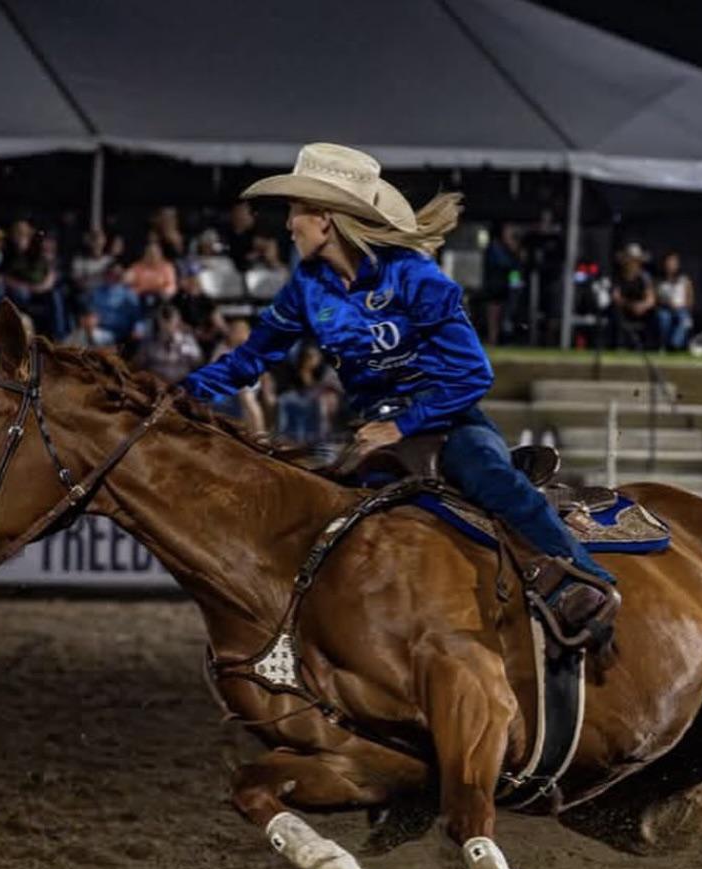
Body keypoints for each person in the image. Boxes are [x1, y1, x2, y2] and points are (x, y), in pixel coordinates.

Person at [181, 142, 616, 632]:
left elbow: (473, 374)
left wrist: (401, 427)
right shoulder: (307, 286)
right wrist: (179, 392)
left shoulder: (414, 276)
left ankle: (587, 581)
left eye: (296, 211)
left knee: (490, 476)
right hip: (373, 432)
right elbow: (250, 359)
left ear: (325, 219)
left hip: (448, 423)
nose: (288, 225)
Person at [135, 302, 203, 383]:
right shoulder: (149, 342)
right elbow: (139, 364)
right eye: (165, 320)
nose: (168, 325)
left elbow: (198, 363)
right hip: (156, 385)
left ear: (178, 321)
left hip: (181, 384)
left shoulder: (188, 341)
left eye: (170, 320)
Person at [481, 223, 523, 345]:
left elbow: (515, 269)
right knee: (494, 314)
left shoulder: (509, 248)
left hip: (506, 286)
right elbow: (505, 264)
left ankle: (500, 337)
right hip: (495, 285)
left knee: (505, 313)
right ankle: (493, 338)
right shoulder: (495, 247)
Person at [610, 243, 655, 349]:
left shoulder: (644, 277)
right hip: (624, 308)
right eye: (630, 260)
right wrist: (630, 305)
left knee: (656, 315)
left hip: (641, 310)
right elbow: (616, 297)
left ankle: (650, 345)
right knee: (615, 312)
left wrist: (642, 306)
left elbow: (651, 299)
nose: (632, 263)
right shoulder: (618, 276)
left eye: (635, 260)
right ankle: (620, 345)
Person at [654, 251, 694, 352]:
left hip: (682, 309)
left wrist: (684, 307)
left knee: (685, 320)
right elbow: (656, 298)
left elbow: (690, 298)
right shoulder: (659, 281)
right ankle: (664, 345)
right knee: (663, 318)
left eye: (673, 263)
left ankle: (674, 345)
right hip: (665, 308)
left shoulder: (684, 280)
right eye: (669, 262)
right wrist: (667, 304)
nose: (671, 265)